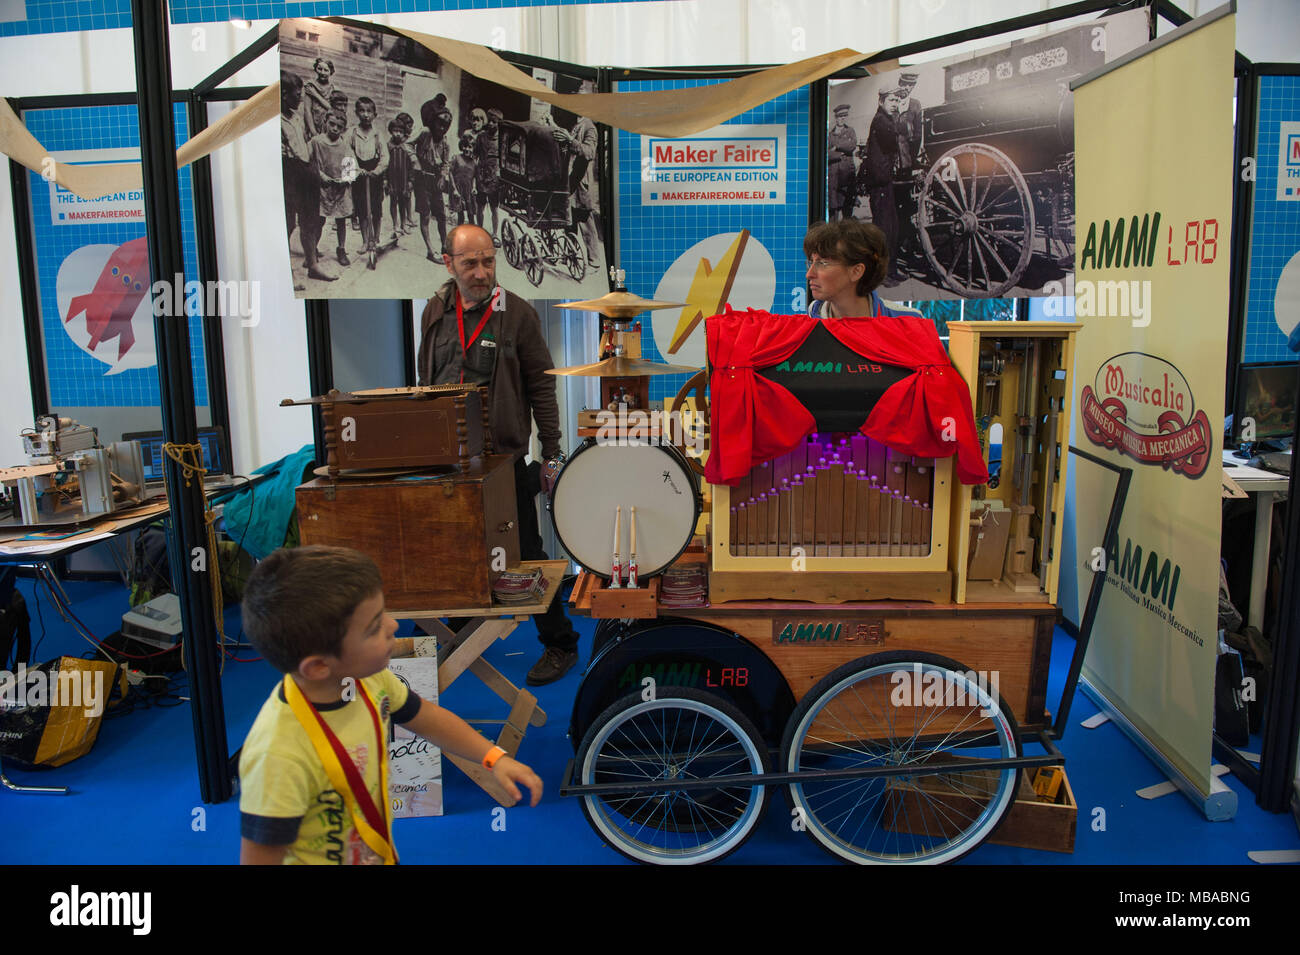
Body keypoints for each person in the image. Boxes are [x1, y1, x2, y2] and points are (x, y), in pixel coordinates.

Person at [238, 545, 542, 865]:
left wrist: (493, 757)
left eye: (383, 612)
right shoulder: (278, 755)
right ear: (317, 667)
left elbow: (427, 718)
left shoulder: (369, 680)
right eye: (373, 628)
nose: (393, 626)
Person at [416, 224, 581, 686]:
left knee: (526, 554)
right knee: (451, 550)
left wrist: (551, 452)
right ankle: (446, 633)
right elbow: (425, 381)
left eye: (488, 260)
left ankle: (560, 643)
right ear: (448, 263)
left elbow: (542, 388)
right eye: (470, 263)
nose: (482, 271)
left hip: (505, 461)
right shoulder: (434, 311)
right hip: (450, 461)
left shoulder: (519, 315)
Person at [803, 218, 924, 320]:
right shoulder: (812, 316)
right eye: (811, 262)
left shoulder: (907, 321)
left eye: (823, 263)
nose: (809, 274)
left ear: (856, 271)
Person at [281, 72, 332, 285]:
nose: (300, 97)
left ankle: (312, 266)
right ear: (283, 95)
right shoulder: (276, 120)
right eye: (297, 93)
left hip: (305, 171)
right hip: (289, 173)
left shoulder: (296, 116)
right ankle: (286, 273)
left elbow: (303, 144)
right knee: (287, 223)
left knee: (308, 221)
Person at [551, 80, 601, 270]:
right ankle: (570, 253)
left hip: (581, 183)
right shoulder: (577, 124)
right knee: (569, 217)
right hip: (571, 181)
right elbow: (568, 144)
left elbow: (588, 152)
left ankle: (594, 260)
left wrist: (570, 140)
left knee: (585, 220)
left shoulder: (589, 127)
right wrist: (554, 126)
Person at [858, 86, 903, 285]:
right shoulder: (881, 121)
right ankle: (883, 275)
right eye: (892, 100)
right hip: (880, 181)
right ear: (881, 101)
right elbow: (894, 142)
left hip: (885, 180)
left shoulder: (885, 119)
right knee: (884, 230)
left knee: (892, 228)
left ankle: (891, 271)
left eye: (897, 100)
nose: (895, 104)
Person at [308, 110, 354, 268]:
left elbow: (350, 165)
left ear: (343, 129)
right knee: (319, 220)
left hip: (339, 189)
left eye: (339, 127)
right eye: (332, 124)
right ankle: (312, 251)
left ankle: (341, 249)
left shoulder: (345, 144)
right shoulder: (316, 142)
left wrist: (345, 179)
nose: (335, 128)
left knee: (341, 220)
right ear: (325, 123)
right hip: (322, 187)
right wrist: (321, 176)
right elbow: (309, 162)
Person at [348, 96, 388, 269]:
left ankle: (376, 238)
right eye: (362, 111)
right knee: (362, 209)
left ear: (375, 114)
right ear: (357, 113)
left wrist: (377, 171)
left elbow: (385, 157)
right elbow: (348, 153)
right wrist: (357, 170)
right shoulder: (352, 132)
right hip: (360, 173)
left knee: (376, 209)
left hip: (374, 173)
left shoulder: (378, 134)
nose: (365, 115)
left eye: (369, 111)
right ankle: (365, 241)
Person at [413, 96, 453, 262]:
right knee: (425, 214)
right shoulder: (425, 133)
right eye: (439, 124)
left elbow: (446, 162)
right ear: (432, 122)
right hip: (422, 178)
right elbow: (408, 144)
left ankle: (445, 245)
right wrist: (415, 162)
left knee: (441, 214)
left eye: (446, 125)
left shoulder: (444, 142)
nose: (442, 128)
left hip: (435, 179)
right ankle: (430, 250)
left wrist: (443, 176)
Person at [827, 103, 858, 222]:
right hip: (834, 177)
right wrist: (840, 153)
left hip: (847, 175)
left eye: (845, 116)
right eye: (840, 116)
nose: (843, 118)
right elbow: (826, 154)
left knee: (847, 205)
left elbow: (852, 145)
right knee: (833, 207)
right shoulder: (830, 135)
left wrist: (836, 146)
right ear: (836, 117)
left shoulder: (850, 131)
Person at [302, 57, 335, 140]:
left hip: (327, 125)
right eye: (319, 69)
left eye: (326, 70)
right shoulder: (310, 85)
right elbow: (307, 110)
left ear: (331, 72)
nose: (322, 72)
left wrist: (315, 94)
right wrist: (313, 132)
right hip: (313, 123)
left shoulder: (333, 89)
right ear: (315, 69)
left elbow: (332, 108)